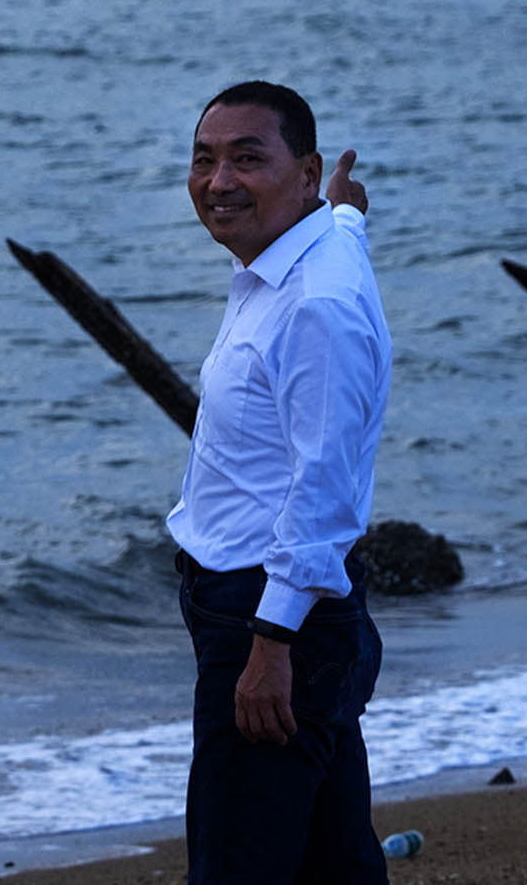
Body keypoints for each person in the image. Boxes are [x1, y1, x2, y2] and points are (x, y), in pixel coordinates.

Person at [168, 80, 391, 884]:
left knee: (236, 866)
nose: (219, 181)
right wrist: (346, 208)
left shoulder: (315, 305)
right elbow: (345, 229)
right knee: (333, 863)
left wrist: (270, 646)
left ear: (303, 172)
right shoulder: (321, 241)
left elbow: (325, 487)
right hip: (278, 613)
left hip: (271, 617)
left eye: (247, 159)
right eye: (204, 159)